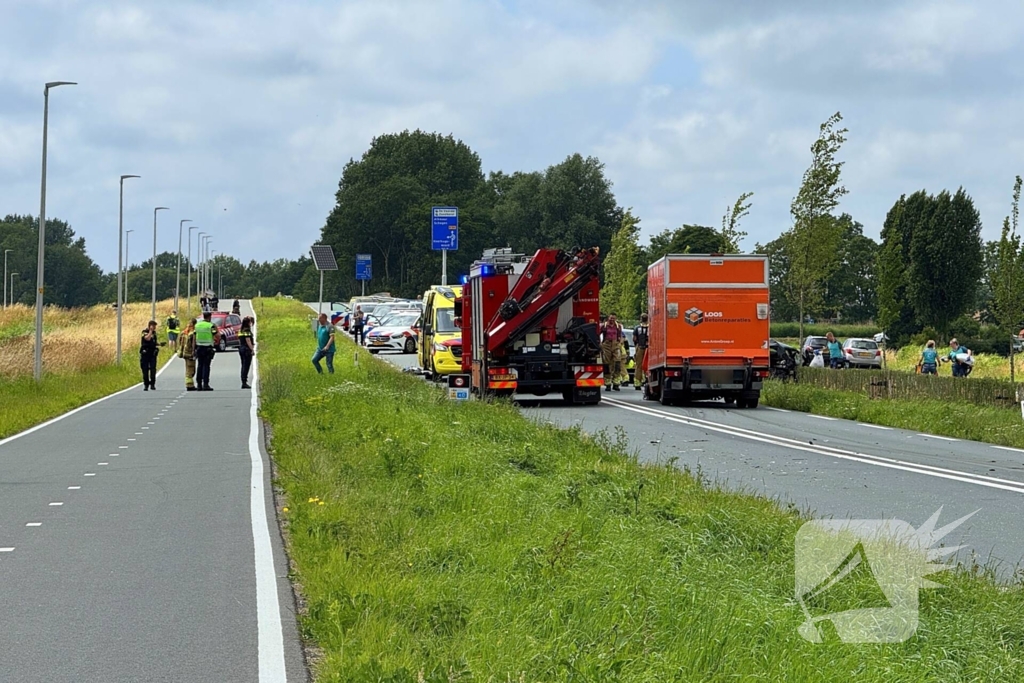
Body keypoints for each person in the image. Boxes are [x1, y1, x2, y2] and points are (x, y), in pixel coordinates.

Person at [194, 311, 220, 391]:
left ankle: (198, 384)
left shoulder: (197, 325)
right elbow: (217, 335)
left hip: (199, 347)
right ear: (209, 317)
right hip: (208, 348)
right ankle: (205, 384)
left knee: (200, 366)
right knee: (206, 366)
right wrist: (216, 329)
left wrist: (193, 348)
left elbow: (194, 337)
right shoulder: (210, 326)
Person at [601, 313, 623, 391]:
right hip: (606, 345)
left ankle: (616, 383)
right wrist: (601, 344)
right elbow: (598, 334)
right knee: (606, 363)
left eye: (613, 318)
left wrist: (620, 344)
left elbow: (620, 336)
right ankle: (608, 383)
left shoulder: (618, 326)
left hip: (615, 344)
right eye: (611, 318)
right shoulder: (603, 326)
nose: (612, 320)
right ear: (608, 318)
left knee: (617, 362)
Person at [178, 318, 198, 391]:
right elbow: (193, 344)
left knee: (188, 369)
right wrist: (194, 352)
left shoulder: (184, 332)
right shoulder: (193, 333)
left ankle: (189, 383)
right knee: (191, 370)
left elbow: (180, 342)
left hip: (184, 353)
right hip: (190, 354)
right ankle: (189, 385)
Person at [140, 320, 160, 390]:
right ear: (150, 326)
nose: (154, 328)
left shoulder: (154, 333)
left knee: (153, 369)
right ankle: (146, 384)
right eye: (153, 326)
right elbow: (147, 339)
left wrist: (159, 344)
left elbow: (153, 342)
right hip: (145, 354)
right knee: (145, 370)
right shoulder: (144, 332)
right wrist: (150, 331)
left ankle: (152, 384)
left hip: (152, 354)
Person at [633, 313, 649, 390]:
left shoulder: (637, 328)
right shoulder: (650, 327)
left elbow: (634, 339)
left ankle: (637, 382)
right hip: (648, 349)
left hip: (640, 347)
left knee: (638, 365)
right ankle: (646, 380)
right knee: (648, 365)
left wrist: (637, 345)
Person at [238, 316, 255, 389]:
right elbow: (248, 341)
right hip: (246, 349)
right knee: (246, 366)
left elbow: (239, 340)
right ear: (248, 323)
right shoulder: (247, 331)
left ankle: (243, 380)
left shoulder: (241, 330)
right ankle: (244, 382)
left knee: (243, 365)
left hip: (241, 348)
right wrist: (252, 349)